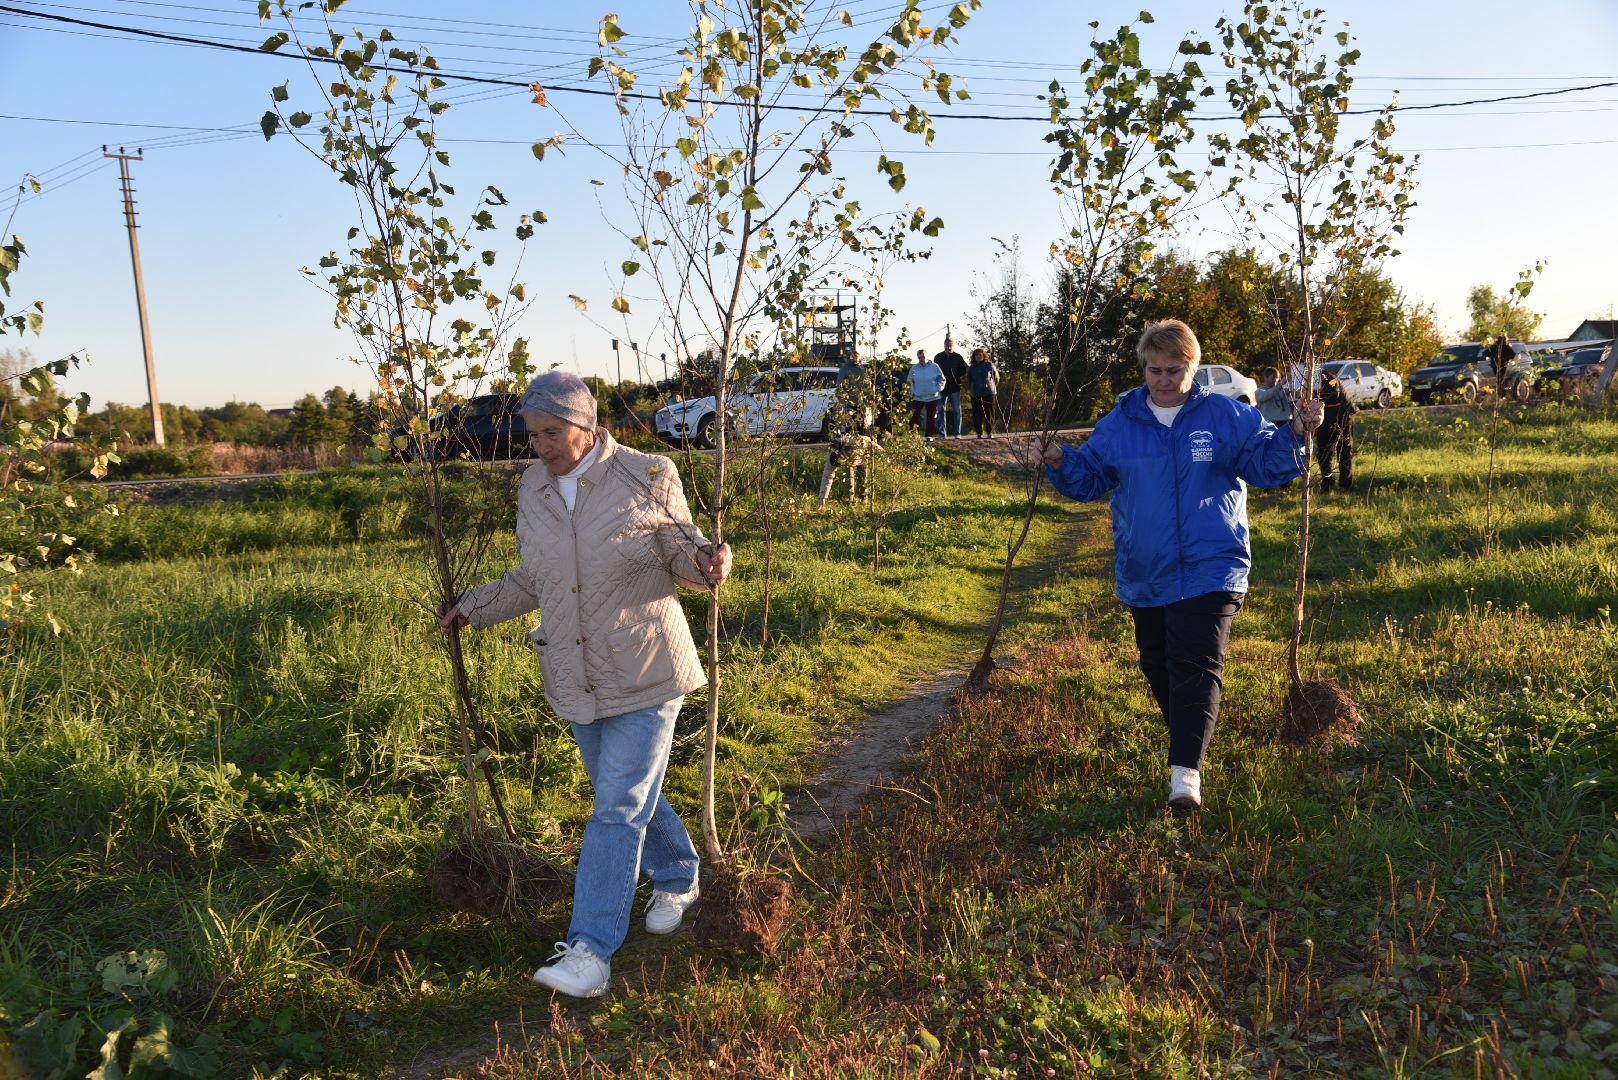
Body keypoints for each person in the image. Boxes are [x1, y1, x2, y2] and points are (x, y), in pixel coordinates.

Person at [438, 370, 733, 999]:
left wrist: (707, 561)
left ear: (585, 425)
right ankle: (679, 875)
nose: (539, 445)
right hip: (575, 674)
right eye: (532, 434)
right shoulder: (532, 489)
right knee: (626, 792)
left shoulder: (646, 473)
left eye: (551, 432)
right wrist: (474, 606)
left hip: (648, 667)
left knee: (616, 809)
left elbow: (680, 552)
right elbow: (533, 578)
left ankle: (590, 951)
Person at [1035, 320, 1322, 810]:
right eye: (1155, 370)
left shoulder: (1226, 415)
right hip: (1145, 569)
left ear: (1193, 368)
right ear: (1144, 369)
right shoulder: (1120, 423)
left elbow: (1263, 463)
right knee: (1159, 666)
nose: (1163, 380)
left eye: (1174, 370)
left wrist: (1297, 432)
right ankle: (1193, 734)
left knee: (1197, 662)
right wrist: (1061, 460)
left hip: (1214, 565)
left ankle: (1185, 776)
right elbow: (1090, 479)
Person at [1315, 365, 1357, 492]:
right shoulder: (1309, 384)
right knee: (1323, 453)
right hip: (1325, 421)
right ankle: (1327, 484)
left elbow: (1333, 392)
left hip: (1342, 418)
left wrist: (1316, 393)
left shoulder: (1332, 379)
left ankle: (1345, 485)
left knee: (1343, 452)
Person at [934, 336, 969, 439]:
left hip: (954, 387)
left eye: (950, 345)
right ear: (944, 345)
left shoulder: (958, 357)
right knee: (940, 411)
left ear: (953, 345)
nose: (949, 347)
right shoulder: (938, 357)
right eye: (947, 345)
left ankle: (957, 433)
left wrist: (956, 377)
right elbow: (934, 371)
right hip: (941, 389)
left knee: (957, 411)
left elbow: (964, 371)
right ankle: (942, 434)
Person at [908, 347, 945, 437]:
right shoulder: (914, 368)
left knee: (931, 417)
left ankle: (928, 436)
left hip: (932, 396)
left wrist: (937, 389)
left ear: (927, 356)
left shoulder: (935, 367)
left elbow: (942, 379)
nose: (921, 359)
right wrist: (913, 391)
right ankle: (912, 435)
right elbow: (909, 381)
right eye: (919, 357)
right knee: (914, 416)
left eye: (923, 357)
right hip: (918, 396)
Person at [968, 346, 1000, 437]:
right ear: (974, 357)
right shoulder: (971, 368)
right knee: (977, 414)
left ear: (983, 356)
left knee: (989, 413)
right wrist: (972, 389)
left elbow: (996, 378)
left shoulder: (989, 365)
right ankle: (979, 433)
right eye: (976, 355)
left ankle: (989, 432)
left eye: (980, 355)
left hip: (989, 393)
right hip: (976, 393)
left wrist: (993, 387)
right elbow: (969, 380)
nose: (978, 356)